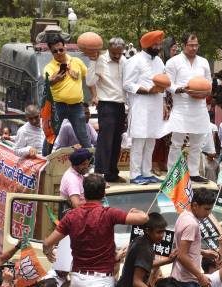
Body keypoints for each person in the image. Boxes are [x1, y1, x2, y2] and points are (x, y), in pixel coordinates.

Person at [165, 33, 214, 183]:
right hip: (181, 105)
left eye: (196, 45)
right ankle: (172, 173)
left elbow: (209, 83)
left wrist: (206, 91)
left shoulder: (204, 62)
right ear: (184, 45)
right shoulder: (173, 62)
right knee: (177, 142)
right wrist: (179, 89)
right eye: (191, 45)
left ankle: (193, 173)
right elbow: (168, 83)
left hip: (199, 106)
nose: (194, 48)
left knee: (197, 142)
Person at [123, 30, 166, 184]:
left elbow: (163, 84)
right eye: (155, 44)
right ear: (147, 44)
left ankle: (146, 172)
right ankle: (135, 175)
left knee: (151, 140)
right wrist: (148, 90)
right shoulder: (135, 60)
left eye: (159, 44)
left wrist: (165, 105)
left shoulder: (159, 62)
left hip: (156, 105)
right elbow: (127, 84)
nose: (158, 46)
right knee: (139, 140)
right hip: (140, 105)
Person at [86, 37, 127, 183]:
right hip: (106, 104)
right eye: (114, 53)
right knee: (105, 140)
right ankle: (99, 175)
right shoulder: (100, 60)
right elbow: (90, 82)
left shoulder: (125, 61)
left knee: (117, 140)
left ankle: (112, 174)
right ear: (108, 49)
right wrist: (92, 61)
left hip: (121, 105)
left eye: (119, 53)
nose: (117, 56)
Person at [44, 35, 91, 151]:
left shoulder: (77, 61)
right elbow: (47, 81)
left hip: (77, 106)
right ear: (51, 52)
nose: (59, 53)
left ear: (65, 47)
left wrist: (95, 96)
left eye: (61, 49)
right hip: (57, 105)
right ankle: (44, 160)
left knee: (83, 136)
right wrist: (55, 79)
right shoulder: (49, 66)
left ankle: (90, 162)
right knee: (51, 135)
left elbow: (89, 78)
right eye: (55, 51)